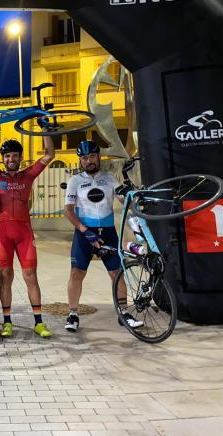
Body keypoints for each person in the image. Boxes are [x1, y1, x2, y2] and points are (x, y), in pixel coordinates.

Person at [0, 130, 55, 338]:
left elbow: (49, 154)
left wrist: (45, 130)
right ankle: (7, 322)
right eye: (7, 156)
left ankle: (39, 323)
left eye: (14, 156)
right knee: (6, 275)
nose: (11, 159)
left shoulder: (28, 174)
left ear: (20, 158)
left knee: (30, 275)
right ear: (3, 158)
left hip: (23, 232)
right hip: (1, 232)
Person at [63, 140, 143, 332]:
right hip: (84, 233)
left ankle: (123, 313)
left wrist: (132, 196)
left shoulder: (110, 179)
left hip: (107, 233)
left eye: (92, 156)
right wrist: (84, 230)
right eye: (84, 158)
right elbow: (68, 211)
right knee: (77, 273)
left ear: (99, 157)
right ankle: (73, 314)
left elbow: (125, 201)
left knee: (117, 273)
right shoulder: (75, 181)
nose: (88, 161)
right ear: (80, 160)